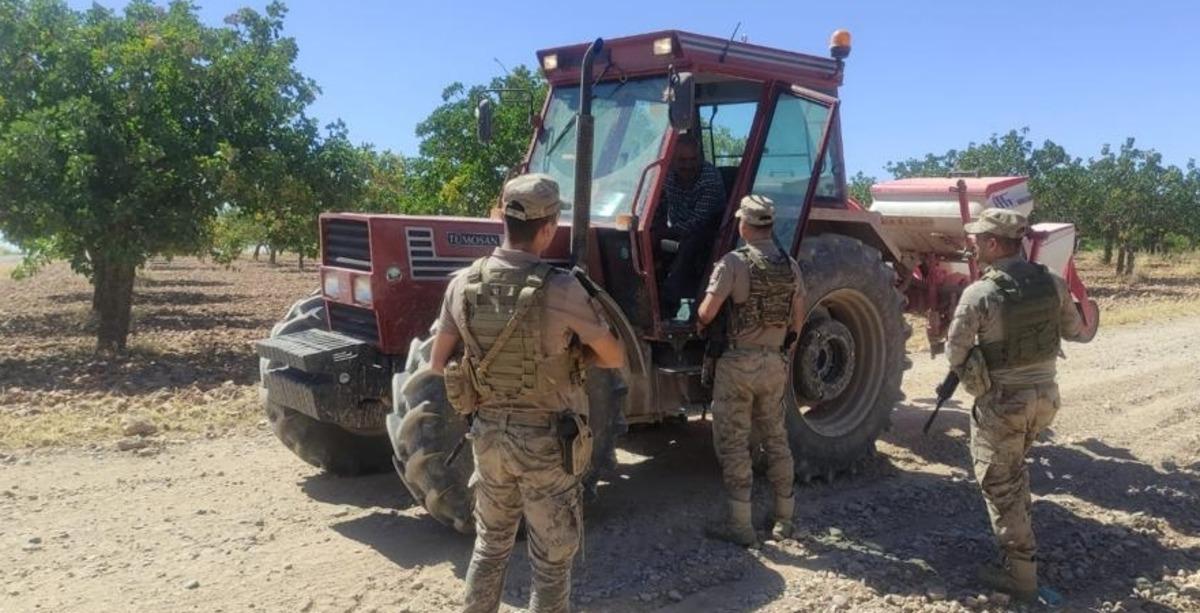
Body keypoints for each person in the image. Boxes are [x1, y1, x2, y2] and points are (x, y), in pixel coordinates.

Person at [429, 173, 626, 613]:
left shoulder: (462, 283)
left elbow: (438, 363)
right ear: (548, 228)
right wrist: (574, 358)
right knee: (551, 562)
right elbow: (613, 356)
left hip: (488, 438)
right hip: (546, 443)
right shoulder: (562, 288)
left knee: (490, 546)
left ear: (502, 218)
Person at [947, 208, 1090, 603]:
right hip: (1044, 399)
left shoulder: (980, 293)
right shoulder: (1053, 282)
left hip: (1005, 403)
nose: (974, 247)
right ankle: (1020, 544)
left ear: (994, 244)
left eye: (979, 240)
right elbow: (1074, 331)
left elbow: (956, 351)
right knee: (1013, 472)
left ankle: (1020, 575)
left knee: (999, 482)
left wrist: (977, 376)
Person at [695, 195, 806, 547]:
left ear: (744, 225)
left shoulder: (733, 263)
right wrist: (780, 350)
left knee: (734, 441)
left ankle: (740, 526)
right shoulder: (790, 266)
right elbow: (798, 320)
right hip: (774, 362)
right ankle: (784, 518)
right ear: (770, 225)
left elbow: (706, 313)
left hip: (738, 364)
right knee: (776, 438)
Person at [654, 133, 727, 317]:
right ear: (671, 160)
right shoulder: (665, 175)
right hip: (677, 227)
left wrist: (665, 232)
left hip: (711, 231)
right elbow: (658, 203)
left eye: (692, 159)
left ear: (700, 158)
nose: (688, 165)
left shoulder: (710, 179)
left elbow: (697, 222)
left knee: (690, 243)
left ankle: (669, 301)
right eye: (682, 160)